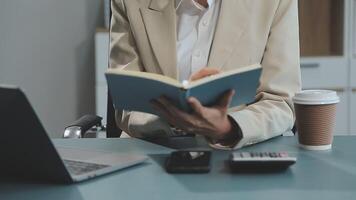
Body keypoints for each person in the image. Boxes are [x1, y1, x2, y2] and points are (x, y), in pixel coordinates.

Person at [109, 0, 301, 149]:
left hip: (236, 152)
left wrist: (228, 128)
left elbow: (281, 102)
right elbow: (127, 104)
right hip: (151, 151)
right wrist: (175, 120)